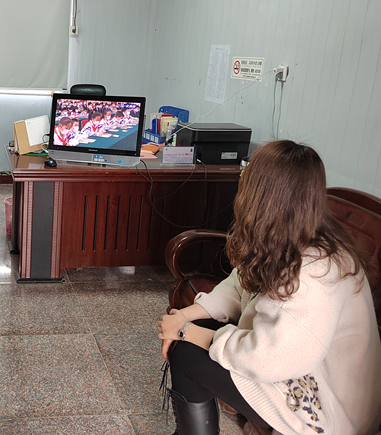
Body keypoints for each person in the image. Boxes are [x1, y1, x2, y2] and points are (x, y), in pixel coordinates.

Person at [158, 140, 381, 435]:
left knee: (188, 355)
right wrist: (185, 317)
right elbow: (241, 283)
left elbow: (268, 358)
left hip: (328, 407)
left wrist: (186, 332)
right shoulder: (295, 236)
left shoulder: (314, 274)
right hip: (299, 365)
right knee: (196, 333)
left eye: (246, 176)